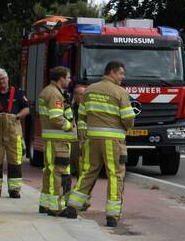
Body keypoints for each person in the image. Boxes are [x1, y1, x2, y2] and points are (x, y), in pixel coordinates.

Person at [67, 61, 136, 227]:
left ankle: (73, 206)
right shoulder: (120, 92)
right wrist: (129, 123)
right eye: (121, 73)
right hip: (113, 141)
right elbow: (128, 119)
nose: (122, 77)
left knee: (89, 171)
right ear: (111, 72)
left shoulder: (89, 90)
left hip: (92, 140)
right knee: (115, 175)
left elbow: (82, 115)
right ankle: (112, 216)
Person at [0, 68, 30, 198]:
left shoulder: (18, 93)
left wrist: (18, 116)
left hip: (14, 131)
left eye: (3, 78)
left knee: (15, 160)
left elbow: (27, 108)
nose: (2, 81)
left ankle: (14, 190)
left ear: (7, 78)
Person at [37, 67, 77, 218]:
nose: (70, 80)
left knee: (49, 171)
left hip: (52, 140)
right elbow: (56, 118)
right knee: (58, 172)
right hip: (58, 140)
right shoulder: (54, 94)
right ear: (60, 78)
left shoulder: (49, 91)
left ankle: (45, 203)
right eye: (68, 77)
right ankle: (57, 207)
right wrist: (70, 126)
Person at [69, 82, 88, 177]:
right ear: (75, 95)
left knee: (82, 169)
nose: (82, 96)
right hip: (71, 142)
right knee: (69, 170)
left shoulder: (88, 109)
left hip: (84, 142)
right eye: (80, 94)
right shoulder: (69, 108)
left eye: (84, 94)